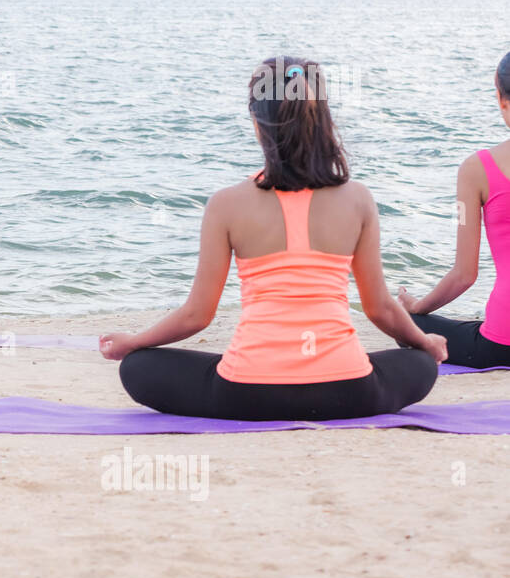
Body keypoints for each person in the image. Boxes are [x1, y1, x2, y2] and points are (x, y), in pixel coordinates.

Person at [99, 56, 445, 421]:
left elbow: (197, 315)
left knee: (137, 367)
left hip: (246, 394)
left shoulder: (226, 204)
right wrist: (426, 344)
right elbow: (380, 309)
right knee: (420, 363)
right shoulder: (358, 198)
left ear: (256, 122)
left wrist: (134, 342)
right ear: (322, 118)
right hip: (348, 392)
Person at [396, 52, 510, 368]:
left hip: (504, 341)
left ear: (500, 97)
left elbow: (464, 275)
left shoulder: (477, 170)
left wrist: (418, 307)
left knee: (407, 327)